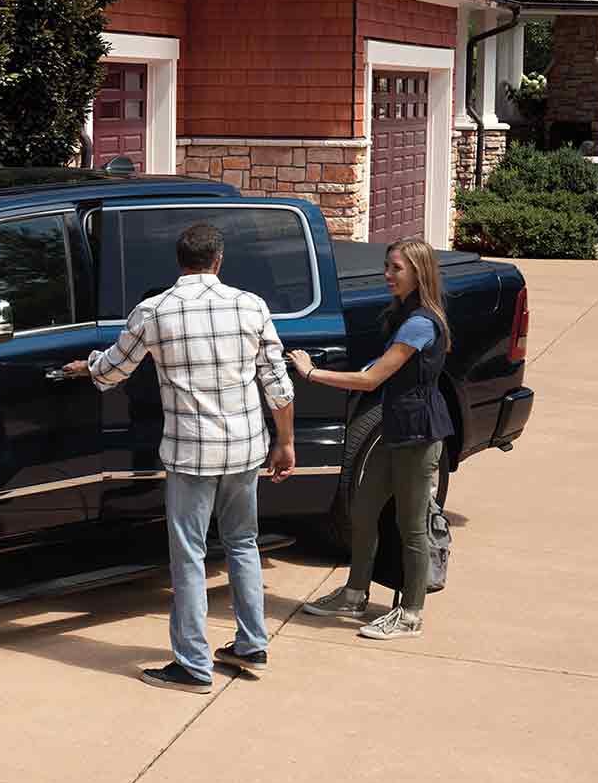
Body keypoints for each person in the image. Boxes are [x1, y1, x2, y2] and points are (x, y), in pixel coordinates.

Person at [61, 221, 298, 693]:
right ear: (218, 260)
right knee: (243, 543)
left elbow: (112, 372)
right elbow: (278, 384)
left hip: (191, 454)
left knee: (188, 556)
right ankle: (252, 642)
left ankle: (192, 666)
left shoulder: (154, 311)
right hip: (246, 447)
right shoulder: (251, 306)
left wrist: (84, 366)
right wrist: (285, 441)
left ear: (179, 262)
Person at [291, 239, 453, 641]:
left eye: (395, 268)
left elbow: (371, 380)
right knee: (363, 511)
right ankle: (354, 592)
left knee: (411, 526)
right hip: (395, 427)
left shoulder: (420, 323)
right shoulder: (405, 314)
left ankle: (411, 614)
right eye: (387, 266)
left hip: (418, 433)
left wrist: (311, 374)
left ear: (418, 272)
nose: (387, 274)